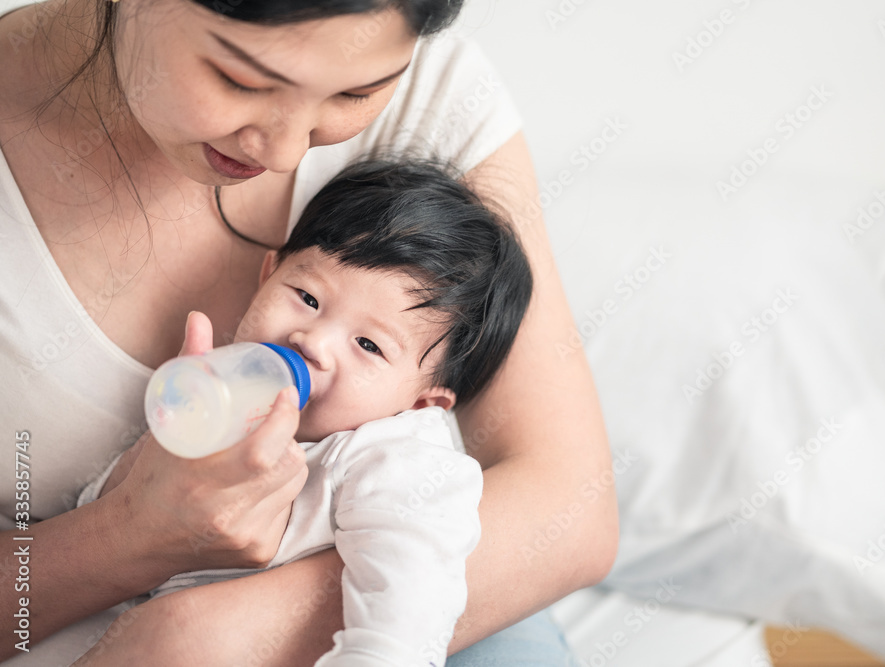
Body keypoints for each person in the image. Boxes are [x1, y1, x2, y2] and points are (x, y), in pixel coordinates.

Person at [0, 0, 617, 664]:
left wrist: (191, 638)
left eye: (356, 92)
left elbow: (568, 514)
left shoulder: (390, 464)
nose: (287, 151)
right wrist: (131, 533)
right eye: (241, 79)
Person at [75, 157, 534, 666]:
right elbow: (97, 516)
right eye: (307, 297)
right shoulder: (222, 392)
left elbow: (407, 608)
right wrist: (167, 444)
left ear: (421, 403)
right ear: (268, 273)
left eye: (367, 343)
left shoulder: (393, 460)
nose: (312, 341)